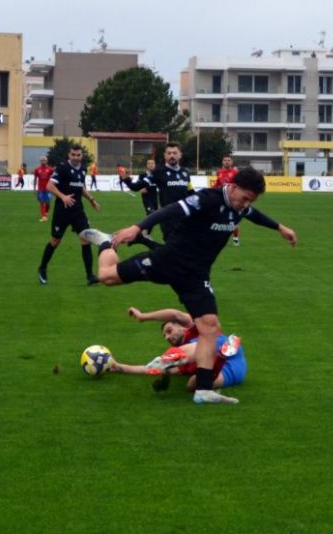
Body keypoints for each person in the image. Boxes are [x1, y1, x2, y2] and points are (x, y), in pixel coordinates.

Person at [82, 166, 297, 405]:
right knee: (106, 277)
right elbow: (171, 210)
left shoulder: (241, 207)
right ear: (233, 188)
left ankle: (203, 390)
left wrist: (280, 228)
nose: (246, 205)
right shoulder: (208, 198)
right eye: (245, 198)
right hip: (169, 261)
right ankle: (105, 243)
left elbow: (254, 214)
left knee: (209, 327)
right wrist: (137, 227)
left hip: (196, 276)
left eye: (250, 201)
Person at [110, 307, 246, 394]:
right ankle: (219, 358)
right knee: (192, 384)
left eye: (169, 331)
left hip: (223, 346)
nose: (168, 337)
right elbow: (149, 369)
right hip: (227, 369)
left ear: (182, 327)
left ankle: (168, 360)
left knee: (194, 349)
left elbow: (175, 314)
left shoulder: (192, 328)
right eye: (165, 336)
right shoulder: (184, 365)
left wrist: (143, 316)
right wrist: (121, 367)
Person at [37, 144, 100, 286]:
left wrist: (91, 199)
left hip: (78, 210)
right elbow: (49, 186)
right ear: (69, 155)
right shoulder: (62, 168)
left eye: (78, 155)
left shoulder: (83, 169)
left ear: (81, 156)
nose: (76, 158)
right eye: (73, 155)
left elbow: (81, 187)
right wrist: (63, 196)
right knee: (55, 241)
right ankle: (42, 268)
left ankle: (90, 275)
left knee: (86, 239)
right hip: (62, 211)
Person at [120, 141, 192, 242]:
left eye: (175, 153)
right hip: (168, 218)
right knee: (172, 248)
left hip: (185, 217)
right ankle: (145, 241)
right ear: (164, 155)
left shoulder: (185, 173)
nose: (172, 155)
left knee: (187, 249)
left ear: (180, 155)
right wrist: (127, 180)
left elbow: (191, 192)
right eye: (169, 153)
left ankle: (144, 241)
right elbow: (136, 187)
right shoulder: (158, 172)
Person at [214, 155, 240, 244]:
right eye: (225, 160)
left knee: (233, 219)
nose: (226, 162)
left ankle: (236, 239)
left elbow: (239, 184)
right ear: (222, 162)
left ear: (231, 162)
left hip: (233, 199)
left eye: (228, 160)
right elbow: (217, 183)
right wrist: (210, 190)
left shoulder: (235, 172)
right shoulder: (219, 172)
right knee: (219, 218)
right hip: (221, 198)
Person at [32, 155, 53, 222]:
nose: (43, 161)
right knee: (42, 202)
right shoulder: (37, 169)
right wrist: (34, 188)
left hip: (48, 189)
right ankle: (44, 216)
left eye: (44, 160)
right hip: (40, 189)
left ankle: (46, 212)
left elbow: (54, 178)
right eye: (42, 160)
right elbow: (35, 179)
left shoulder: (50, 169)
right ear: (40, 161)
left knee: (48, 202)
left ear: (47, 161)